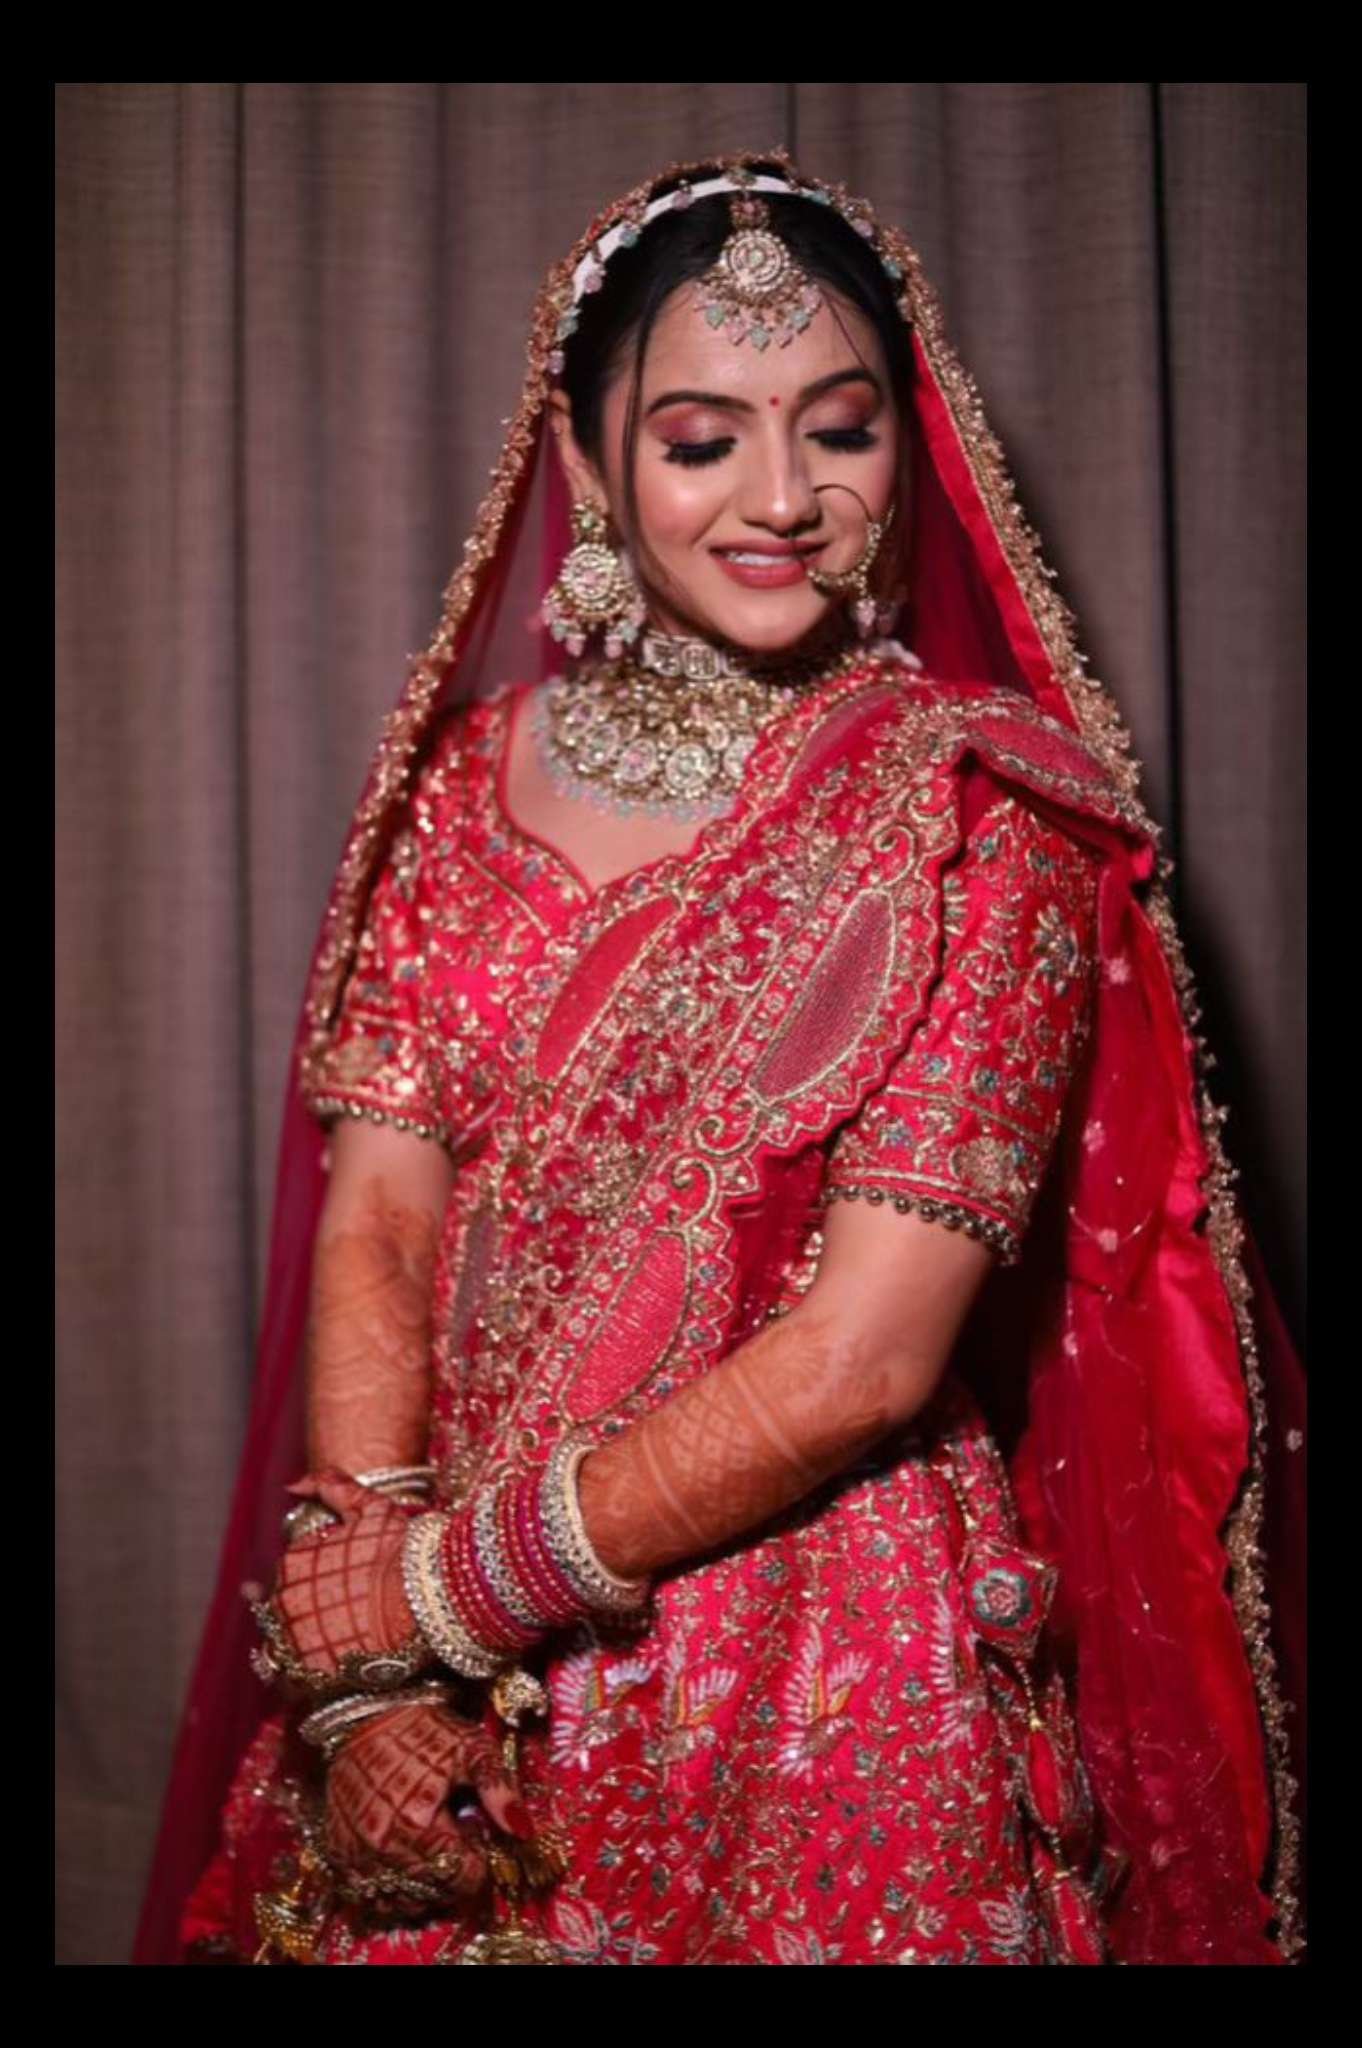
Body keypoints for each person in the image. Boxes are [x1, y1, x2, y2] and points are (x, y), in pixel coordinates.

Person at [132, 150, 1305, 1967]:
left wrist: (436, 1596)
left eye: (838, 430)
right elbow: (380, 1219)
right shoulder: (462, 782)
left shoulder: (970, 818)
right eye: (700, 441)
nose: (782, 499)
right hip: (434, 1631)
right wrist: (369, 1691)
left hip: (818, 1658)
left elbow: (865, 1355)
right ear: (589, 463)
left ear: (906, 446)